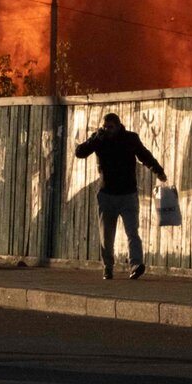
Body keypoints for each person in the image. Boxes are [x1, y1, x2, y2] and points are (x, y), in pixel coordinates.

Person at [73, 112, 166, 280]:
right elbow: (80, 152)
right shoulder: (99, 140)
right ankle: (107, 267)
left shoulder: (130, 138)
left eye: (111, 127)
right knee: (107, 235)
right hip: (106, 195)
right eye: (105, 127)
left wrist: (158, 171)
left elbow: (145, 155)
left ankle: (136, 264)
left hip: (128, 194)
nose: (108, 130)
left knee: (132, 231)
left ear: (118, 126)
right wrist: (95, 139)